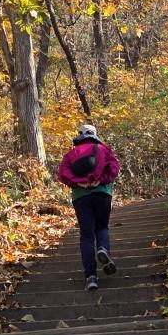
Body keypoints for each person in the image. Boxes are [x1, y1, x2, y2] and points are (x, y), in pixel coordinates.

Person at [56, 123, 121, 291]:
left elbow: (62, 174)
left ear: (80, 135)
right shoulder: (104, 149)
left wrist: (79, 183)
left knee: (86, 235)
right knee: (101, 227)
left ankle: (91, 277)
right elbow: (114, 168)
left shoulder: (71, 154)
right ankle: (103, 249)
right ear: (94, 135)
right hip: (102, 193)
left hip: (81, 196)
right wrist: (101, 179)